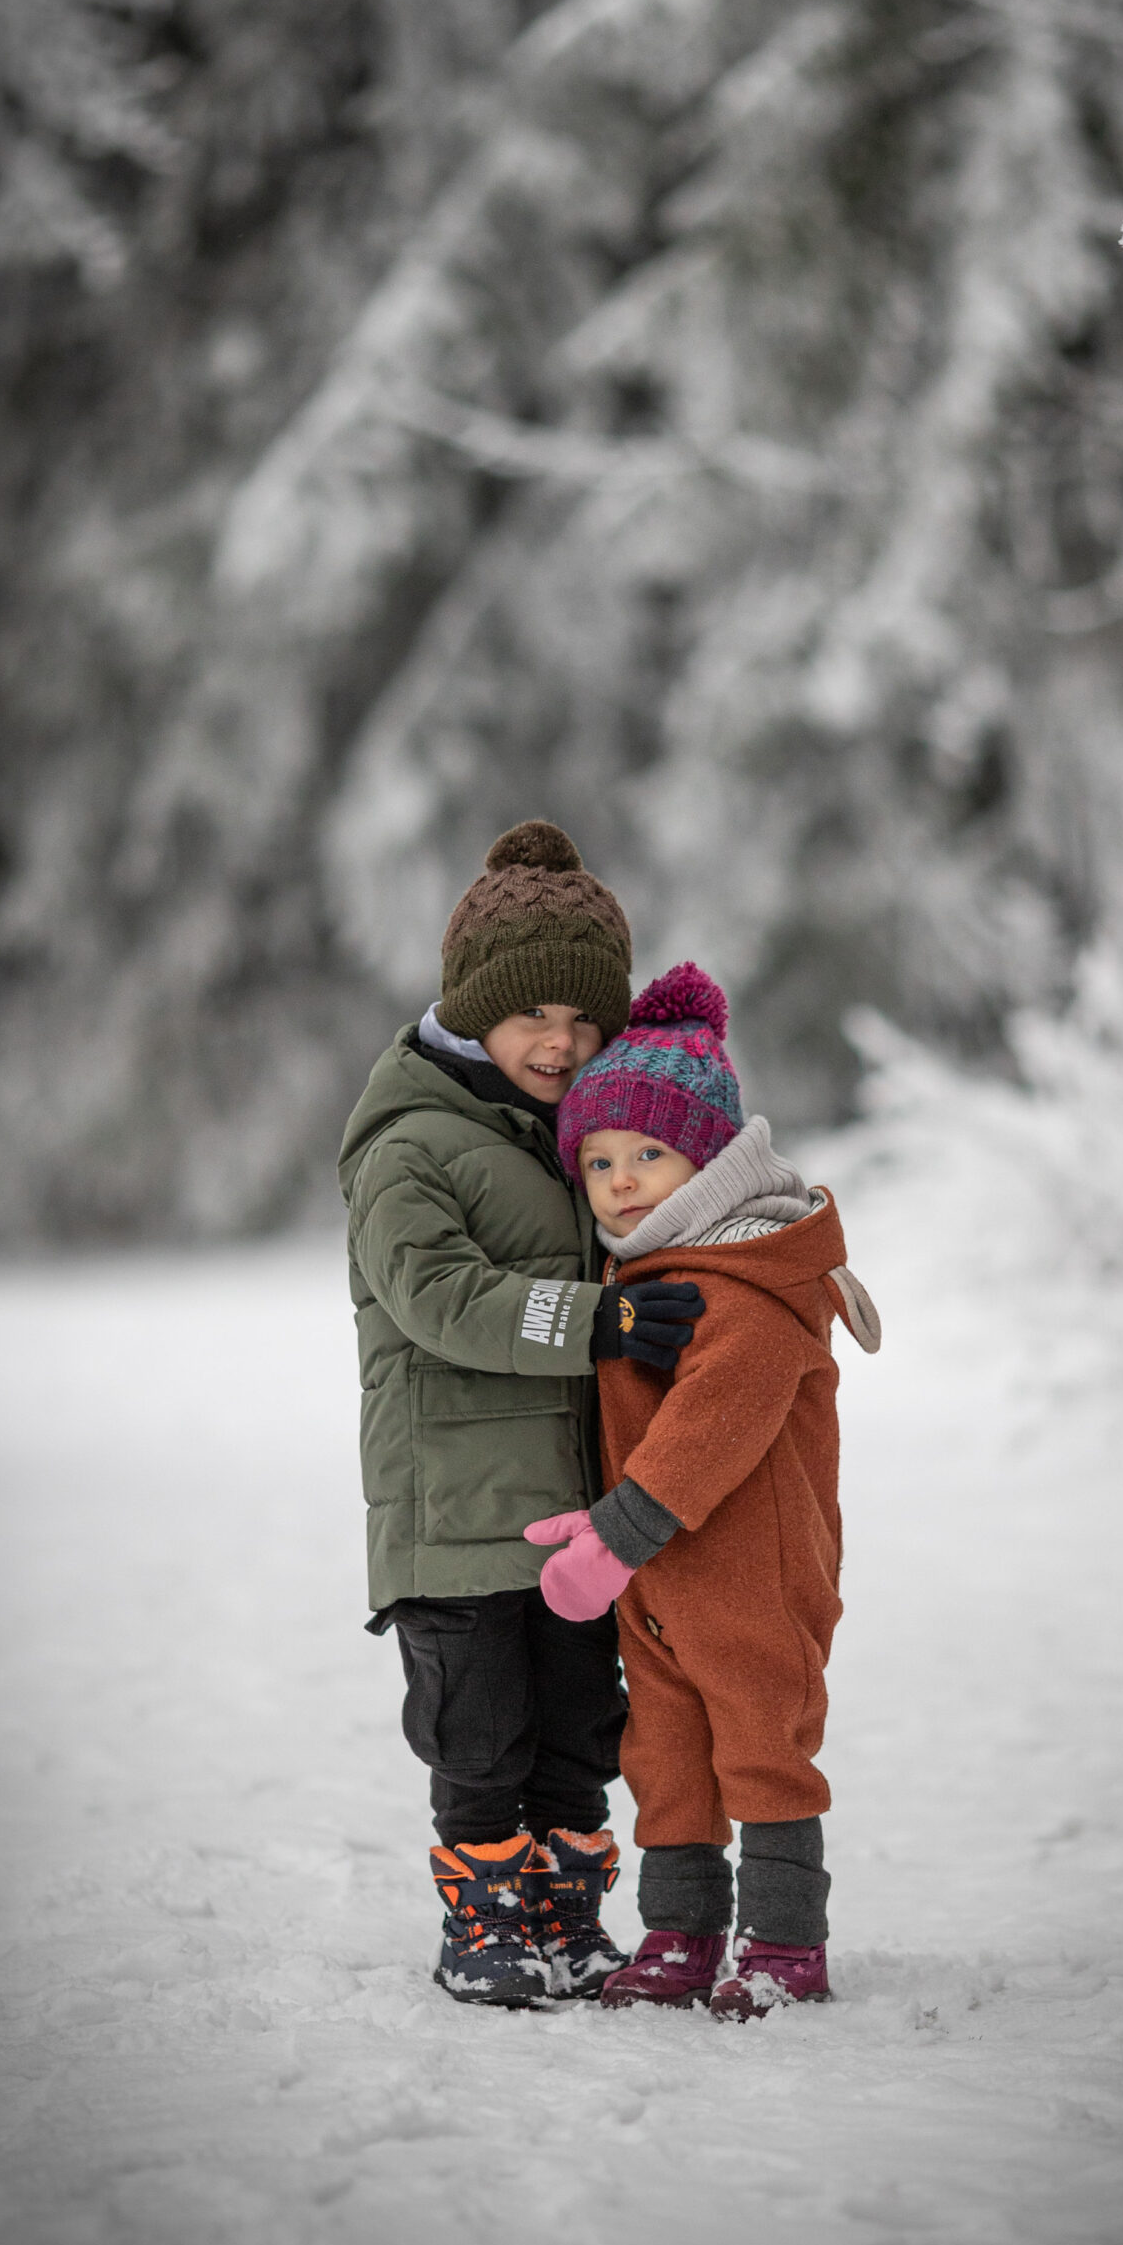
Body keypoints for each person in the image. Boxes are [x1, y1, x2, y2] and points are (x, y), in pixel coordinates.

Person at [337, 822, 706, 2007]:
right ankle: (483, 1922)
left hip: (567, 1513)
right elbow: (438, 1297)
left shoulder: (559, 1142)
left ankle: (565, 1914)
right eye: (535, 1013)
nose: (562, 1040)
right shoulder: (412, 1146)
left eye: (586, 1019)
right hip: (451, 1516)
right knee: (479, 1738)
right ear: (474, 1007)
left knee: (573, 1733)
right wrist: (591, 1324)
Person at [528, 963, 880, 2021]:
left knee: (763, 1749)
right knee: (666, 1754)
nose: (621, 1180)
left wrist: (612, 1537)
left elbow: (706, 1433)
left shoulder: (748, 1283)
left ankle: (784, 1942)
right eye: (598, 1159)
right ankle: (682, 1933)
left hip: (752, 1572)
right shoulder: (633, 1282)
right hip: (662, 1581)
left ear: (710, 1156)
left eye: (648, 1152)